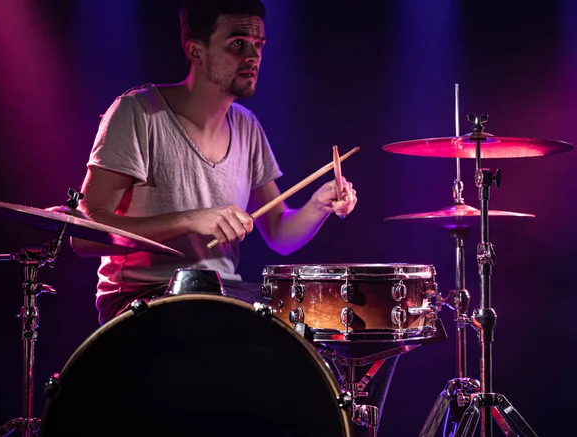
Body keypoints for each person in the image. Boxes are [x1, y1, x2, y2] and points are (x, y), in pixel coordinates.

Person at [70, 0, 397, 435]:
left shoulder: (247, 127)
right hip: (141, 299)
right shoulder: (138, 113)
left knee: (318, 345)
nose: (253, 57)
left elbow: (279, 233)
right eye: (237, 44)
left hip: (220, 297)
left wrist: (318, 206)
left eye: (258, 45)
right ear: (195, 50)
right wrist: (191, 220)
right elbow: (85, 235)